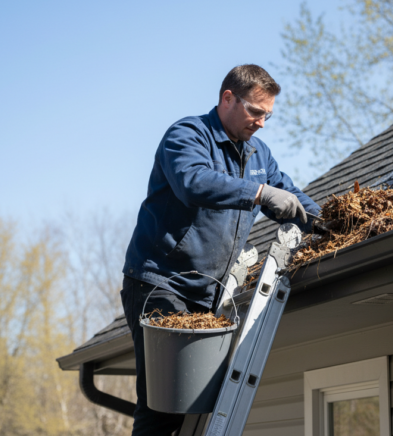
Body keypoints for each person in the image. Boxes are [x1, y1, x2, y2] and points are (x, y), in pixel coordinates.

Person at [120, 64, 320, 436]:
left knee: (200, 401)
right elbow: (193, 182)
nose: (262, 122)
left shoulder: (259, 154)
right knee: (165, 404)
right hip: (162, 283)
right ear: (227, 98)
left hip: (211, 293)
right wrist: (259, 194)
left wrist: (331, 220)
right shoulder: (188, 135)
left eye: (268, 115)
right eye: (255, 112)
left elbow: (292, 197)